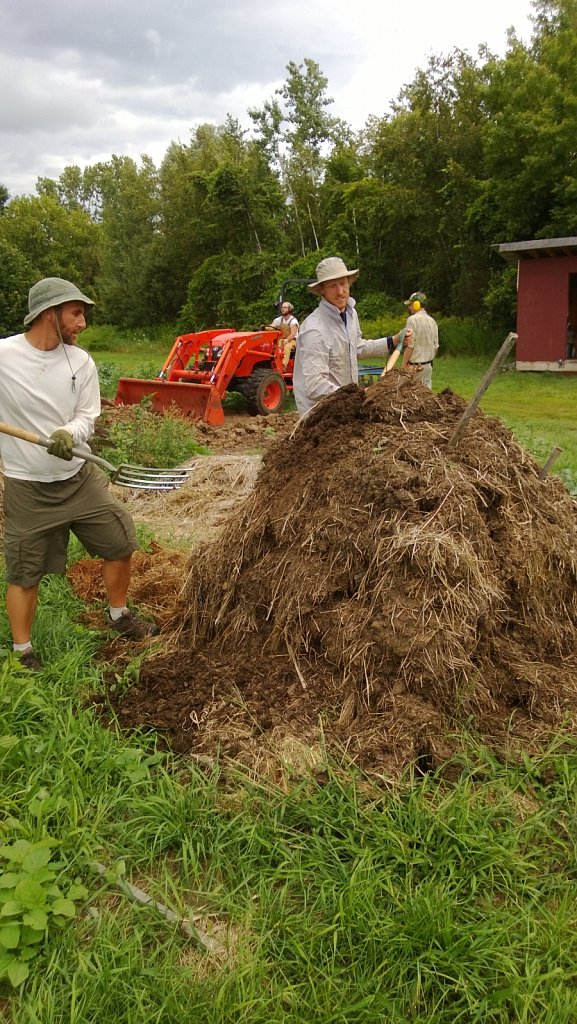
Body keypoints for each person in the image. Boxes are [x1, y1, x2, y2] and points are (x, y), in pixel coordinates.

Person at [0, 277, 160, 672]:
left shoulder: (81, 362)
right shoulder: (5, 355)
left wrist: (67, 433)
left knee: (119, 538)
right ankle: (23, 652)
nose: (83, 323)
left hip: (78, 477)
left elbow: (88, 415)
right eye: (76, 313)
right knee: (24, 570)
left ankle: (119, 616)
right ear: (48, 314)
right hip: (27, 485)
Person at [292, 257, 411, 416]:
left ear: (349, 283)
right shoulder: (315, 329)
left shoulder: (350, 314)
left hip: (346, 408)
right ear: (322, 289)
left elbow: (357, 347)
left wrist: (393, 341)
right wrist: (354, 396)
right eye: (333, 286)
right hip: (319, 417)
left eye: (343, 283)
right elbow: (314, 386)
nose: (340, 291)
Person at [402, 291, 439, 389]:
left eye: (410, 305)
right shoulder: (432, 321)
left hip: (414, 367)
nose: (409, 307)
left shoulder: (412, 320)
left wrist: (404, 365)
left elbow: (410, 345)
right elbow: (436, 347)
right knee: (427, 397)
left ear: (416, 304)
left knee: (411, 398)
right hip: (428, 367)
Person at [268, 302, 299, 370]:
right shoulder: (279, 319)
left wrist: (287, 340)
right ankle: (272, 363)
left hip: (292, 340)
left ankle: (283, 366)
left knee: (287, 347)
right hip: (282, 339)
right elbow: (272, 326)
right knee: (273, 345)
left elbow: (293, 334)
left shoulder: (293, 321)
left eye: (285, 307)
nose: (282, 309)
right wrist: (267, 328)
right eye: (282, 307)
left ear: (290, 309)